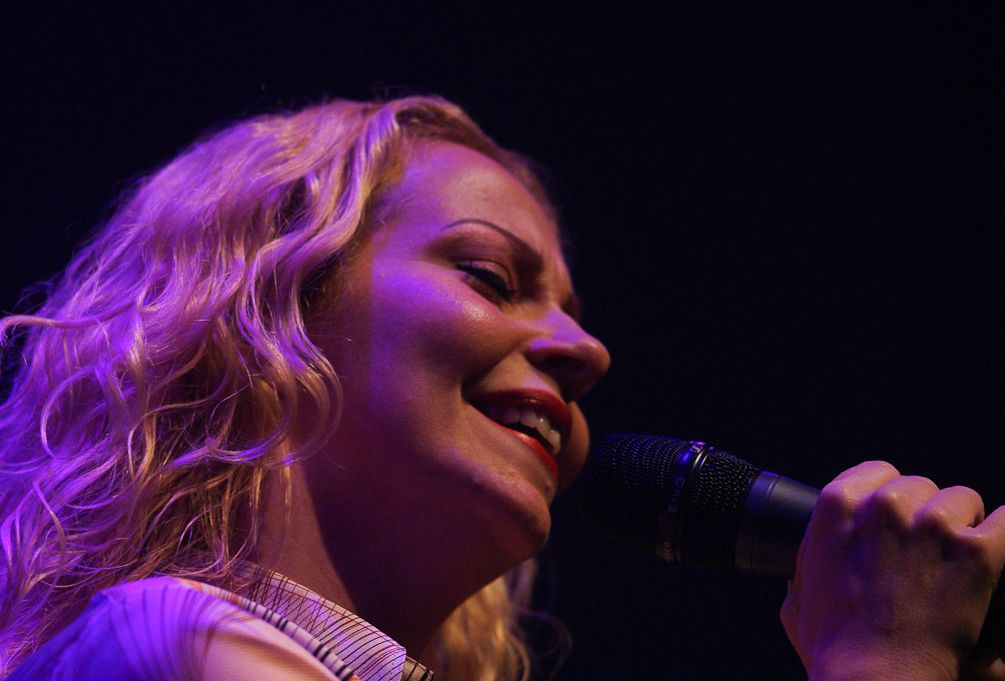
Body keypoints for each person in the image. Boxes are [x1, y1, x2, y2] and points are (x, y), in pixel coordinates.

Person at [0, 95, 1002, 681]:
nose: (586, 350)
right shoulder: (164, 640)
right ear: (273, 309)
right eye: (490, 277)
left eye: (568, 307)